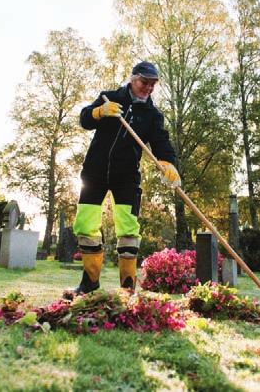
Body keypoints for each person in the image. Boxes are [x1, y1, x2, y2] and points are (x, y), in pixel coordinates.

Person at [71, 61, 181, 295]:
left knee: (129, 229)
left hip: (126, 178)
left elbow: (162, 143)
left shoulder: (152, 115)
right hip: (94, 174)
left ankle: (127, 288)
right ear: (133, 79)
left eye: (153, 85)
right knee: (85, 225)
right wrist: (99, 112)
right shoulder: (108, 98)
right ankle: (90, 282)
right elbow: (84, 119)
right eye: (144, 82)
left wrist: (169, 163)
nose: (148, 88)